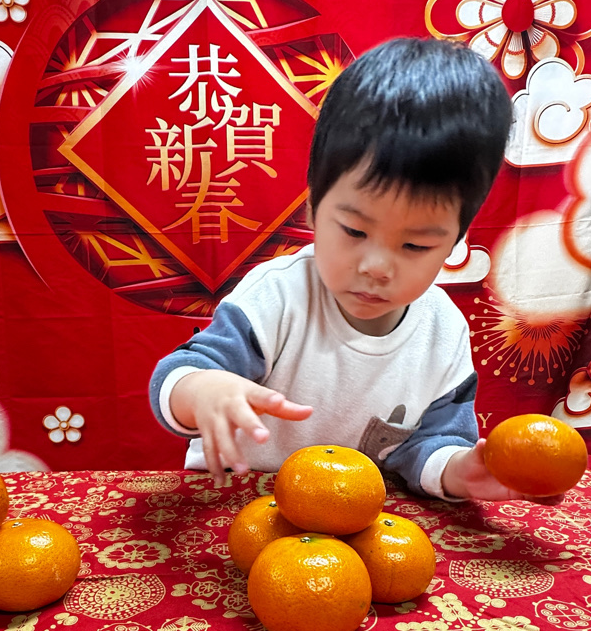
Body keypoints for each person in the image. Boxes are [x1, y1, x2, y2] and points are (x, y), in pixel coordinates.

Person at [149, 36, 525, 501]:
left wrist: (460, 471)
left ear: (455, 240)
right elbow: (180, 373)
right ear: (312, 208)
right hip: (239, 507)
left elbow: (432, 444)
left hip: (353, 520)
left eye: (415, 245)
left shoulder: (443, 331)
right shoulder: (277, 297)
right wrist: (201, 389)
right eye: (353, 231)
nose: (376, 267)